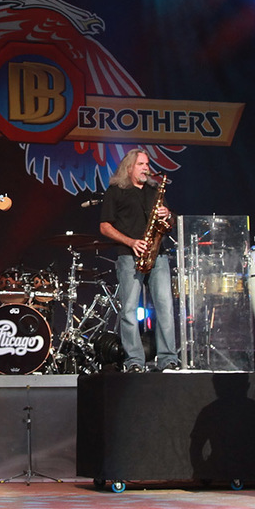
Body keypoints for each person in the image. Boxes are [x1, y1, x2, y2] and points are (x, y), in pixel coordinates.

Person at [99, 148, 179, 373]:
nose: (146, 168)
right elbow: (104, 226)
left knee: (165, 307)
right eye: (141, 164)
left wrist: (167, 215)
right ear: (129, 168)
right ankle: (134, 360)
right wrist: (131, 242)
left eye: (147, 164)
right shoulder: (116, 191)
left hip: (158, 254)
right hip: (129, 256)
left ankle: (168, 359)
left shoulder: (154, 191)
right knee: (129, 310)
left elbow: (170, 222)